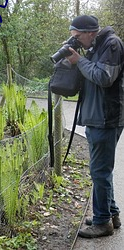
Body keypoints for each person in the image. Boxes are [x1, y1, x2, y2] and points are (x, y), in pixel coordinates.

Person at [66, 15, 124, 238]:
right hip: (96, 117)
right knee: (101, 171)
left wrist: (79, 61)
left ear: (90, 32)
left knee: (99, 171)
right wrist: (76, 60)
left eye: (78, 37)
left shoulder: (112, 44)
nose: (77, 41)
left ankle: (102, 223)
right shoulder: (95, 46)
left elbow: (103, 77)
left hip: (106, 118)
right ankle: (111, 214)